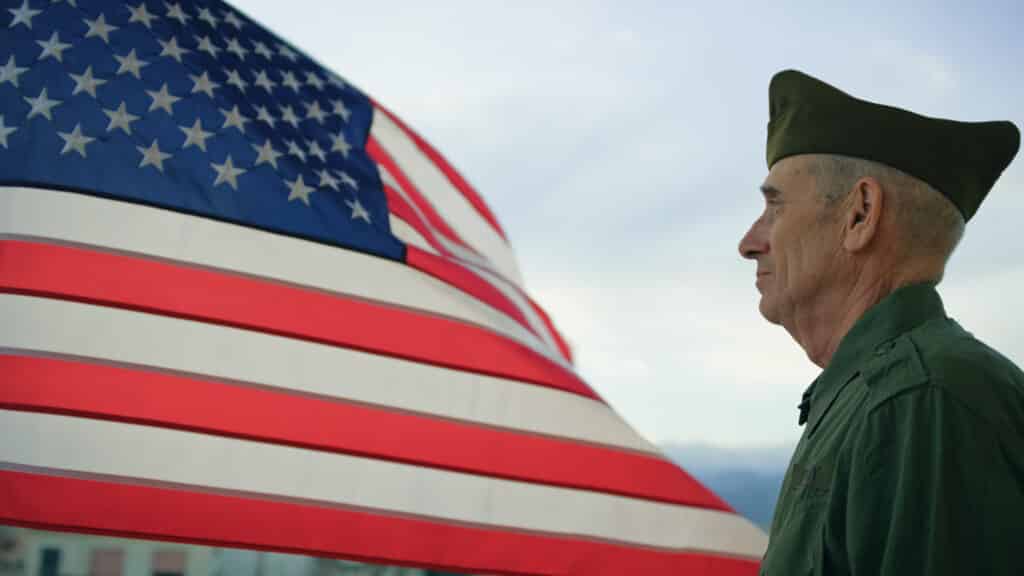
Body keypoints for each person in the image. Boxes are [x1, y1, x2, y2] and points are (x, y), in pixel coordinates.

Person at [739, 70, 1024, 575]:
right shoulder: (881, 393)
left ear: (860, 215)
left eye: (775, 207)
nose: (749, 242)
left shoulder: (923, 398)